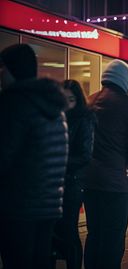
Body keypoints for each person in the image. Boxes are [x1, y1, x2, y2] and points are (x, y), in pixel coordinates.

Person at [0, 44, 68, 268]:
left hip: (18, 204)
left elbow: (5, 154)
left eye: (3, 69)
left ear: (12, 70)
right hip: (49, 204)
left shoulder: (15, 103)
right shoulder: (55, 108)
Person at [83, 60, 128, 269]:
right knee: (113, 237)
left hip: (89, 179)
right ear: (125, 80)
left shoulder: (90, 101)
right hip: (115, 181)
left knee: (94, 233)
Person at [52, 80, 95, 269]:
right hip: (54, 182)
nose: (67, 103)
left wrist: (58, 160)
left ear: (78, 99)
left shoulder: (84, 118)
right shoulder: (54, 117)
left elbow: (85, 154)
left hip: (72, 181)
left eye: (71, 99)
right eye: (64, 98)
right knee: (52, 232)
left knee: (69, 230)